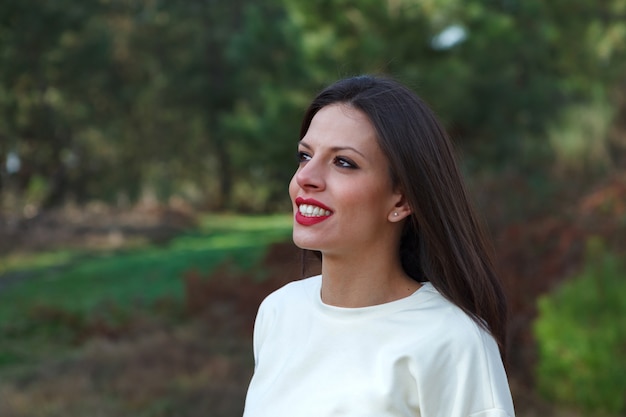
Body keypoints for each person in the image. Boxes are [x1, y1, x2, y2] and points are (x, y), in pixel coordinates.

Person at [242, 75, 515, 417]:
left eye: (343, 162)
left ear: (402, 199)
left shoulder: (452, 339)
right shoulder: (279, 312)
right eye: (304, 155)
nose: (305, 177)